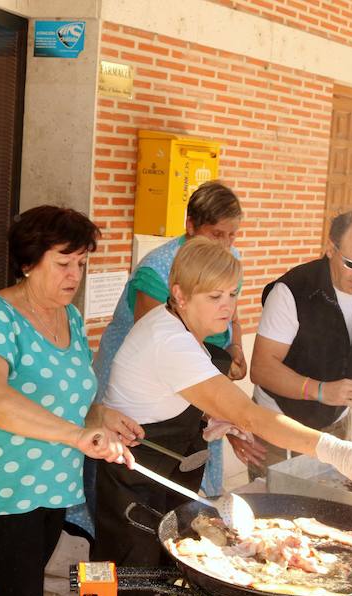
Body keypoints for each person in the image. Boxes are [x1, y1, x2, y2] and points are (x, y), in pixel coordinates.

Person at [91, 237, 352, 596]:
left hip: (161, 474)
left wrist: (211, 420)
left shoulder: (180, 325)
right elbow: (251, 415)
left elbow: (179, 394)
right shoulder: (169, 341)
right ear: (180, 295)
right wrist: (332, 449)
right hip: (131, 479)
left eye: (232, 294)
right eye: (214, 297)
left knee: (160, 576)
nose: (227, 308)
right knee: (119, 578)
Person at [0, 205, 139, 596]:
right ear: (28, 263)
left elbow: (71, 396)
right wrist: (76, 435)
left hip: (55, 482)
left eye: (81, 263)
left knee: (17, 590)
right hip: (6, 484)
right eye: (63, 263)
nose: (75, 275)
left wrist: (101, 416)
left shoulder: (69, 316)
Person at [68, 180, 260, 536]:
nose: (227, 245)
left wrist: (235, 349)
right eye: (217, 234)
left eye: (233, 236)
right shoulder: (158, 271)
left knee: (174, 515)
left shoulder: (227, 259)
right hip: (148, 401)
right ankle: (100, 584)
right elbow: (168, 354)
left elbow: (231, 315)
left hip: (192, 390)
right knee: (127, 528)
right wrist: (224, 407)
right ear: (190, 225)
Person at [248, 210, 352, 477]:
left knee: (331, 508)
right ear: (331, 248)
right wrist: (320, 390)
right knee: (274, 512)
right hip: (279, 422)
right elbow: (262, 368)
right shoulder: (291, 290)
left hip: (338, 425)